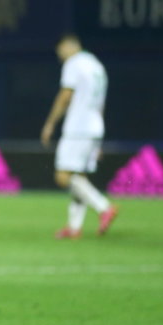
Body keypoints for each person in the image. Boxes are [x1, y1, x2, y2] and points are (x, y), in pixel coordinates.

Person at [41, 33, 117, 238]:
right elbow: (99, 102)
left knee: (63, 176)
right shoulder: (96, 65)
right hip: (94, 127)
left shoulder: (74, 63)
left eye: (61, 51)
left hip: (78, 127)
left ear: (68, 46)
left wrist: (50, 123)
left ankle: (104, 207)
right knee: (79, 176)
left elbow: (66, 95)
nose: (61, 56)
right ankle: (74, 227)